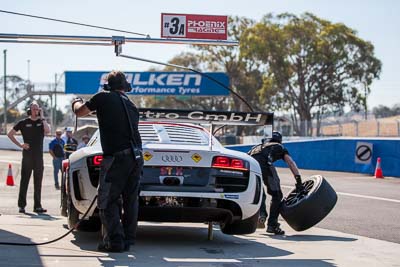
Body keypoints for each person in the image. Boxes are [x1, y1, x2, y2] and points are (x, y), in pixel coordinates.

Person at [72, 70, 143, 252]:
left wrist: (76, 102)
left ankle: (115, 242)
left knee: (107, 201)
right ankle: (127, 240)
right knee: (130, 201)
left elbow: (80, 112)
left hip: (117, 158)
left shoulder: (103, 97)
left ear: (108, 85)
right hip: (136, 158)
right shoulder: (131, 105)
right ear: (125, 87)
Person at [248, 131, 303, 235]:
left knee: (258, 192)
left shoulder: (256, 147)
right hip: (265, 165)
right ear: (279, 140)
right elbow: (290, 162)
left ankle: (261, 215)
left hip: (250, 167)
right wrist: (298, 180)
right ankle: (272, 225)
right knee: (277, 195)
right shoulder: (279, 146)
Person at [7, 102, 51, 213]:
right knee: (24, 181)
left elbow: (48, 131)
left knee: (38, 182)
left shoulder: (42, 122)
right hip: (27, 156)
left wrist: (43, 118)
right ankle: (21, 206)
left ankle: (37, 206)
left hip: (38, 157)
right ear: (29, 110)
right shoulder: (23, 122)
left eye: (37, 109)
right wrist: (20, 145)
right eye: (34, 109)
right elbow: (10, 134)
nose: (36, 111)